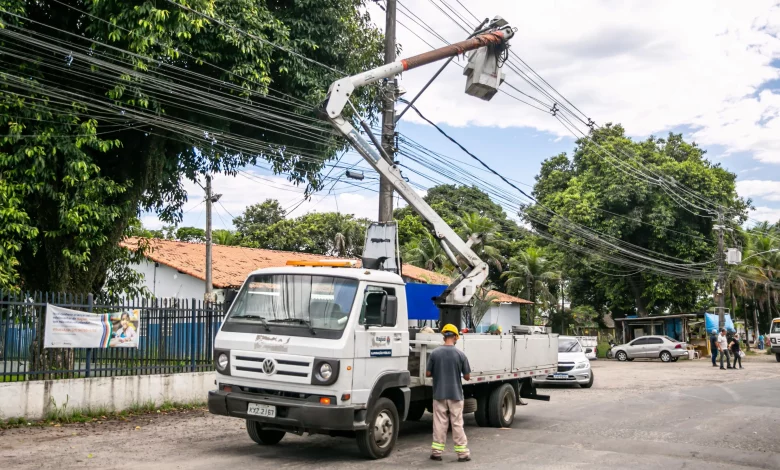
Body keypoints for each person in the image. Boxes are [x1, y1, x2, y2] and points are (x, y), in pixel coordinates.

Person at [426, 323, 471, 462]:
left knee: (439, 423)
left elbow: (428, 373)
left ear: (444, 336)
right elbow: (467, 376)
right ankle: (462, 454)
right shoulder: (460, 354)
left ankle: (436, 453)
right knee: (457, 423)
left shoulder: (435, 353)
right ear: (456, 337)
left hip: (439, 394)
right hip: (456, 394)